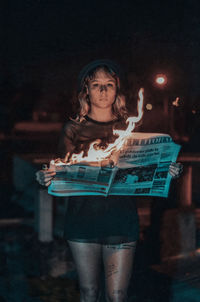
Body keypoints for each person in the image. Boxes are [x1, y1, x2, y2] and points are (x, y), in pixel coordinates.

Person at [36, 59, 183, 302]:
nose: (103, 91)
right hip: (82, 219)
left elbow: (143, 171)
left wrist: (167, 171)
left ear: (117, 89)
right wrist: (45, 176)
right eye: (96, 84)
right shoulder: (72, 129)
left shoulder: (129, 128)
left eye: (109, 84)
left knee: (117, 295)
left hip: (121, 220)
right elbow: (59, 172)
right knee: (89, 293)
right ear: (86, 90)